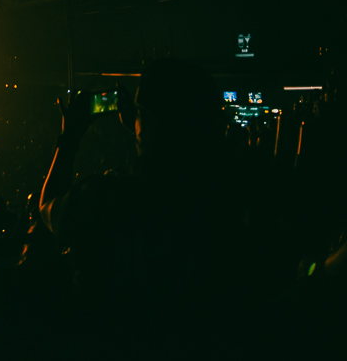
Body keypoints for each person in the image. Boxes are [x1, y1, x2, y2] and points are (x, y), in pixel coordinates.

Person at [38, 58, 253, 353]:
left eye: (141, 112)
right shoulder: (234, 197)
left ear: (148, 123)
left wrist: (70, 137)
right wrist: (141, 127)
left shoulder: (106, 198)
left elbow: (48, 208)